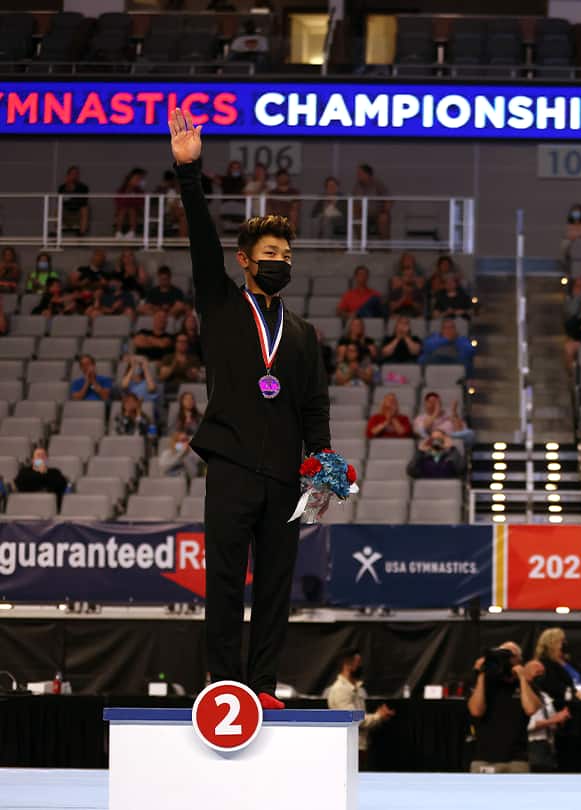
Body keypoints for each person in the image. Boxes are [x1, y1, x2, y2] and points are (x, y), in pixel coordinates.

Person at [171, 108, 331, 710]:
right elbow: (202, 239)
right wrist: (189, 172)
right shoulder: (220, 304)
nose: (280, 260)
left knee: (274, 589)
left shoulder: (305, 334)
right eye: (269, 252)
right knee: (223, 581)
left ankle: (262, 687)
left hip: (287, 478)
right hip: (232, 467)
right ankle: (221, 684)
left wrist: (323, 467)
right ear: (245, 259)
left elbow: (314, 408)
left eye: (286, 253)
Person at [467, 644, 541, 774]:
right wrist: (482, 674)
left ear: (519, 660)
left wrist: (522, 678)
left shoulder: (526, 685)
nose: (506, 661)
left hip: (517, 759)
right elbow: (476, 711)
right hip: (484, 758)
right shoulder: (484, 683)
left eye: (509, 656)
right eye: (501, 656)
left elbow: (530, 709)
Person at [325, 649, 396, 770]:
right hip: (349, 748)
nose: (360, 666)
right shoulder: (340, 690)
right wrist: (378, 716)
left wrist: (379, 716)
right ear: (348, 665)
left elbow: (360, 716)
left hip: (360, 745)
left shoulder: (357, 689)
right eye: (358, 663)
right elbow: (354, 719)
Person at [531, 627, 581, 706]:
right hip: (568, 703)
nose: (565, 643)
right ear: (552, 644)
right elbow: (556, 688)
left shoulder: (571, 663)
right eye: (561, 641)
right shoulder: (545, 665)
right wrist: (580, 696)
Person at [353, 163, 392, 240]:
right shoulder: (357, 186)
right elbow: (354, 201)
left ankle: (385, 248)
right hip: (363, 214)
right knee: (356, 219)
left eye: (360, 173)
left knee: (383, 219)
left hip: (378, 213)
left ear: (367, 174)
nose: (357, 175)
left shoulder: (378, 184)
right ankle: (364, 247)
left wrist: (385, 211)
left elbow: (388, 199)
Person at [113, 167, 146, 239]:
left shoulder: (140, 191)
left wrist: (133, 203)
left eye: (140, 179)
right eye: (136, 179)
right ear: (130, 178)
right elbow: (118, 202)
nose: (138, 181)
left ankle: (132, 232)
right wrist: (127, 193)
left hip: (136, 212)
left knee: (132, 210)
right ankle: (118, 232)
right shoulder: (122, 189)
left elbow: (142, 203)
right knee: (123, 209)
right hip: (122, 211)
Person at [58, 165, 90, 235]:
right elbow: (61, 202)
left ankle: (82, 233)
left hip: (78, 213)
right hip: (67, 213)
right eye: (72, 174)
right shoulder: (62, 187)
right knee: (58, 210)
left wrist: (74, 190)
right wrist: (67, 189)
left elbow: (83, 202)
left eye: (76, 174)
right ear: (68, 175)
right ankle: (57, 233)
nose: (75, 176)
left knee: (85, 209)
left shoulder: (83, 187)